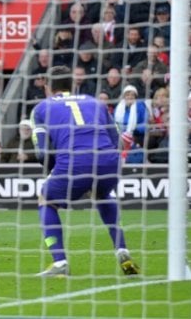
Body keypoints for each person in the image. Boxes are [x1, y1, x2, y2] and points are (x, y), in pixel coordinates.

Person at [31, 66, 139, 276]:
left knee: (46, 199)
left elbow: (42, 153)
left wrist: (55, 170)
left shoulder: (41, 108)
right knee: (102, 193)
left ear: (48, 86)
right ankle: (122, 248)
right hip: (109, 160)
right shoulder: (96, 102)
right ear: (73, 84)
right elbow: (116, 141)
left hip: (74, 161)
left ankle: (60, 262)